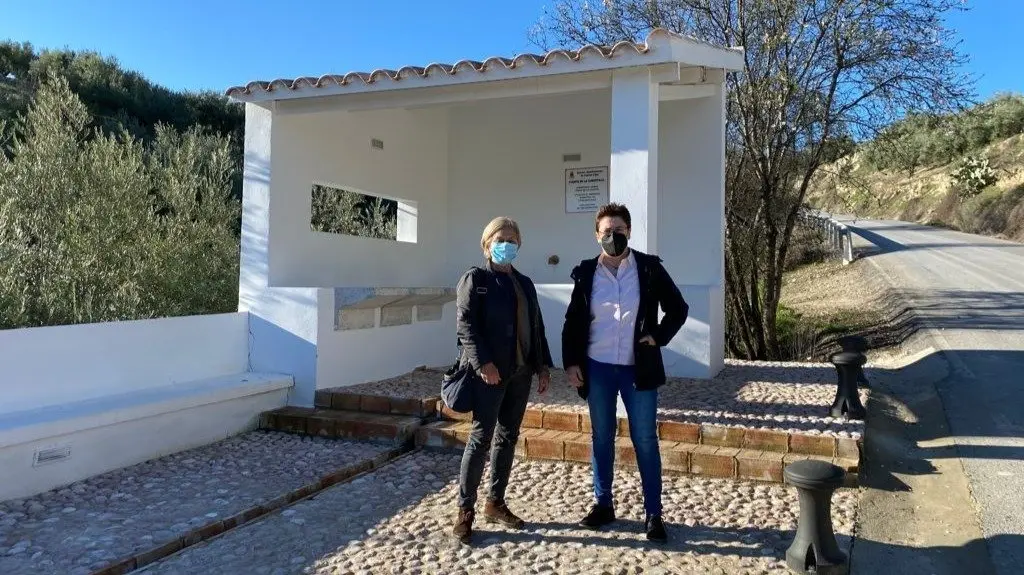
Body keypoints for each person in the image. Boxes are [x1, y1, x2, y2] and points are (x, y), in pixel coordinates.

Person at [561, 203, 688, 543]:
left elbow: (678, 309)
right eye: (606, 232)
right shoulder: (586, 272)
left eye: (618, 230)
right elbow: (573, 321)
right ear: (596, 235)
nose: (612, 236)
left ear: (629, 231)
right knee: (601, 436)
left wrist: (657, 337)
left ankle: (653, 513)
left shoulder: (648, 268)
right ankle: (603, 504)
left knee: (645, 439)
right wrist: (571, 362)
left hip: (638, 369)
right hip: (598, 367)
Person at [452, 216, 554, 544]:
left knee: (508, 437)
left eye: (511, 239)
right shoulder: (476, 279)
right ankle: (464, 510)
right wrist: (483, 363)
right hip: (489, 374)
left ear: (519, 244)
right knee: (480, 438)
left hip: (521, 372)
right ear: (487, 245)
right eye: (499, 239)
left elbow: (536, 326)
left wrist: (542, 366)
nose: (506, 244)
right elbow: (466, 325)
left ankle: (495, 502)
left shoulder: (524, 282)